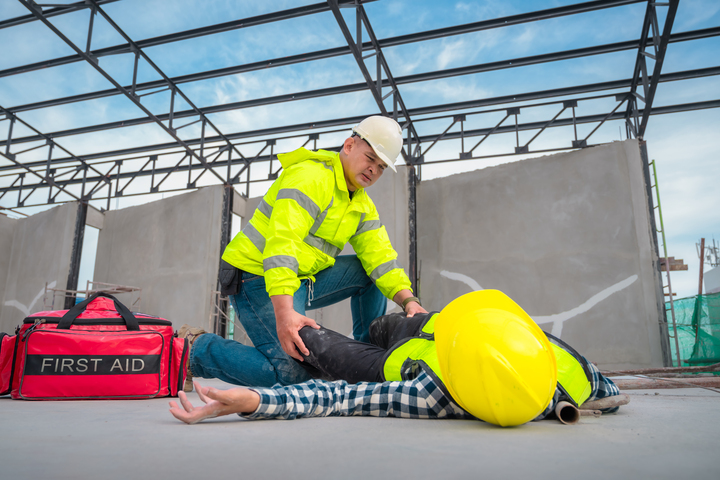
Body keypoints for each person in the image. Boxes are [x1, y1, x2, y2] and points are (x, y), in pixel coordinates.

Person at [184, 116, 427, 391]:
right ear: (349, 146)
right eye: (370, 158)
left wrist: (410, 302)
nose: (373, 170)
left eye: (381, 167)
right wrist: (286, 313)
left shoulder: (361, 204)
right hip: (256, 274)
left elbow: (381, 258)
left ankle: (367, 362)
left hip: (302, 277)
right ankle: (195, 350)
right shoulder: (310, 177)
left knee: (368, 272)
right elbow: (282, 245)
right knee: (291, 373)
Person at [170, 291, 625, 427]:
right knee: (377, 327)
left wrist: (256, 400)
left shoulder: (434, 393)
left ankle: (198, 348)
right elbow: (610, 390)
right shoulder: (574, 373)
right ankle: (375, 327)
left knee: (311, 348)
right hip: (428, 324)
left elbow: (340, 397)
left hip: (390, 364)